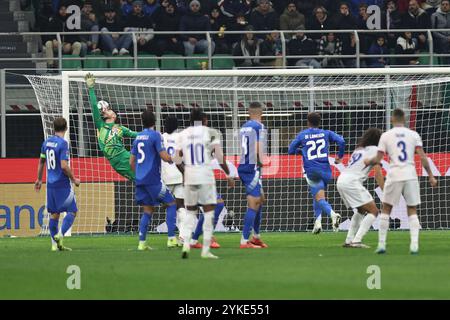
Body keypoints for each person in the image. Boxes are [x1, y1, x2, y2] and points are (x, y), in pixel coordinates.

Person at [364, 108, 438, 254]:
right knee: (412, 209)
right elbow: (423, 157)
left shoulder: (386, 136)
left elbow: (378, 159)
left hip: (394, 174)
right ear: (404, 119)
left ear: (392, 119)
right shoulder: (413, 135)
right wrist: (431, 175)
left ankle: (382, 244)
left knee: (386, 208)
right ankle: (414, 245)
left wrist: (368, 161)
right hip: (410, 174)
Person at [174, 108, 234, 259]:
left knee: (190, 212)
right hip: (205, 176)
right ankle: (205, 250)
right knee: (209, 212)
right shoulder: (211, 133)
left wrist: (184, 172)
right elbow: (220, 157)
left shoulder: (182, 135)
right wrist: (228, 174)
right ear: (205, 119)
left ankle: (187, 244)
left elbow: (176, 159)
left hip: (190, 177)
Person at [288, 112, 345, 234]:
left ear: (308, 122)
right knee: (318, 196)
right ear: (319, 122)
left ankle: (333, 214)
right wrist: (339, 156)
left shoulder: (303, 135)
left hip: (312, 171)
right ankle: (318, 223)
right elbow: (341, 141)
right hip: (326, 171)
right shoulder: (326, 133)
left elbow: (290, 150)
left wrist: (302, 151)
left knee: (319, 198)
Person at [130, 110, 177, 251]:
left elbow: (131, 161)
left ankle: (142, 243)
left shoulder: (137, 137)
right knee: (171, 203)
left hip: (140, 181)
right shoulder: (156, 135)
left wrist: (138, 174)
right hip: (153, 180)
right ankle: (171, 239)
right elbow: (164, 156)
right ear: (154, 121)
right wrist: (173, 158)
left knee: (148, 211)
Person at [35, 117, 80, 251]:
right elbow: (64, 166)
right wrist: (74, 179)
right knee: (72, 211)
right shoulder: (63, 144)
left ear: (54, 128)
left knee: (54, 214)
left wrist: (38, 179)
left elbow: (41, 162)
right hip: (62, 183)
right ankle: (60, 235)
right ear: (66, 128)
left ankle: (55, 246)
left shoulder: (46, 143)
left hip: (50, 185)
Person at [85, 73, 138, 181]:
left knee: (144, 180)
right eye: (108, 109)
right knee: (138, 180)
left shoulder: (121, 128)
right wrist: (91, 88)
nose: (110, 110)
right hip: (116, 162)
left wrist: (151, 134)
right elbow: (95, 107)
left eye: (110, 109)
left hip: (125, 156)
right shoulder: (101, 126)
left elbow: (135, 135)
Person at [337, 128, 384, 248]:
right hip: (352, 182)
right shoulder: (375, 151)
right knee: (374, 211)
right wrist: (385, 190)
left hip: (342, 179)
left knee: (361, 210)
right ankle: (357, 241)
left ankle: (349, 240)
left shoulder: (358, 150)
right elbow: (378, 173)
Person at [237, 102, 269, 248]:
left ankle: (256, 237)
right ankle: (244, 241)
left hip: (245, 165)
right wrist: (262, 161)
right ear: (261, 114)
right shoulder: (259, 127)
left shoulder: (244, 127)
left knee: (260, 199)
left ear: (249, 113)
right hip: (252, 169)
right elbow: (257, 148)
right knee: (254, 202)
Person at [431, 0, 450, 65]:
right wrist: (445, 38)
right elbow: (434, 31)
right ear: (440, 5)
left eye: (446, 4)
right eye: (443, 4)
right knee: (445, 44)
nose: (445, 6)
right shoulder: (435, 15)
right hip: (440, 38)